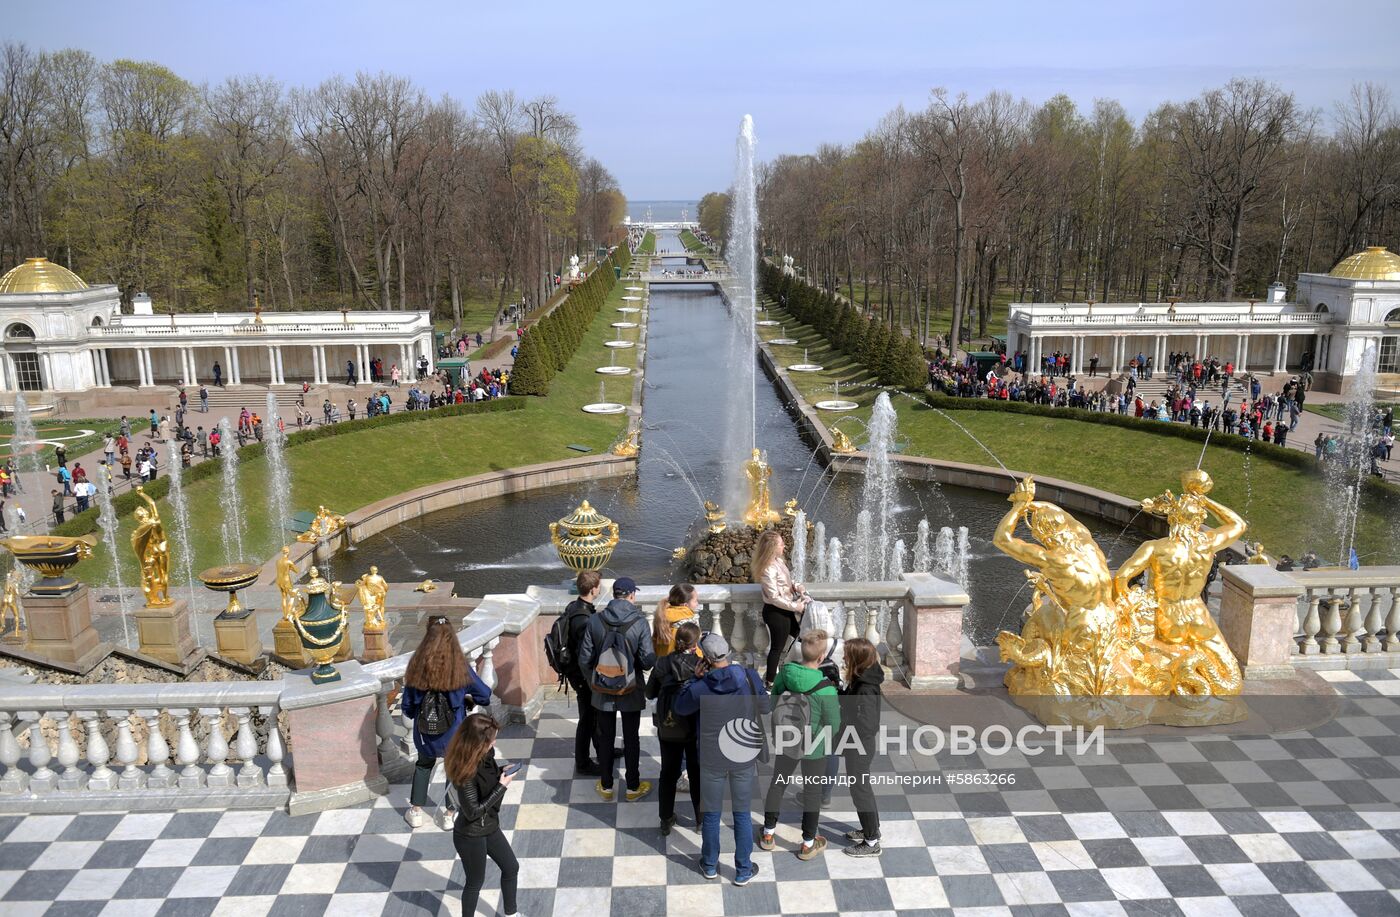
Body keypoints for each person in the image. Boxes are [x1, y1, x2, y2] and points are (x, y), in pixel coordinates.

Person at [674, 632, 768, 884]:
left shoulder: (700, 686)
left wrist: (693, 680)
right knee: (742, 813)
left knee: (712, 814)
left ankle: (710, 865)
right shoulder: (748, 677)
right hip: (743, 753)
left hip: (712, 757)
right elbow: (766, 707)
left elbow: (680, 707)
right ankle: (743, 869)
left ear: (704, 658)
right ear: (728, 652)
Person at [400, 615, 492, 829]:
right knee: (454, 769)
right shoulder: (460, 667)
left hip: (425, 732)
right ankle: (450, 814)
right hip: (454, 732)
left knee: (423, 765)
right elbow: (484, 695)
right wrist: (466, 699)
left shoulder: (416, 666)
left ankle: (415, 811)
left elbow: (408, 706)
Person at [760, 630, 841, 860]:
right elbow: (833, 724)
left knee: (778, 784)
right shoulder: (826, 688)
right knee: (813, 792)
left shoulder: (785, 673)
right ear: (822, 656)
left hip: (787, 740)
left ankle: (768, 834)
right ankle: (807, 844)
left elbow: (774, 702)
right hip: (814, 747)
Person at [577, 575, 655, 801]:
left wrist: (596, 681)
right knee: (631, 739)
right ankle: (632, 787)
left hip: (602, 689)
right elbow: (648, 661)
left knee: (605, 737)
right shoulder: (639, 622)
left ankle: (606, 786)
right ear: (631, 595)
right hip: (630, 688)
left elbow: (584, 659)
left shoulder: (595, 620)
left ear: (614, 595)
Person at [444, 713, 521, 917]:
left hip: (490, 826)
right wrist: (502, 786)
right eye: (491, 739)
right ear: (478, 743)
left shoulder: (486, 755)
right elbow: (473, 811)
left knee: (511, 867)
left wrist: (501, 772)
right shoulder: (465, 771)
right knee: (475, 882)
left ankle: (511, 913)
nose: (495, 742)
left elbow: (487, 780)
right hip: (470, 834)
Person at [646, 621, 701, 834]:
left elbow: (650, 693)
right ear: (695, 644)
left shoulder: (662, 663)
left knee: (668, 773)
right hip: (693, 727)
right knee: (696, 773)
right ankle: (700, 820)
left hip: (668, 726)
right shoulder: (700, 664)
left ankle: (666, 819)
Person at [839, 637, 884, 856]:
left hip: (859, 746)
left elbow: (868, 724)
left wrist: (848, 722)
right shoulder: (862, 678)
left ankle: (871, 842)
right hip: (858, 744)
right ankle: (871, 830)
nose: (844, 657)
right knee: (862, 789)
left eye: (847, 654)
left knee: (860, 791)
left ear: (856, 657)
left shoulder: (866, 687)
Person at [562, 570, 605, 775]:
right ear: (593, 589)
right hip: (582, 676)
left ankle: (602, 749)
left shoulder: (575, 606)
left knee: (592, 715)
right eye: (599, 586)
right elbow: (584, 656)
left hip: (578, 674)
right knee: (587, 719)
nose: (600, 589)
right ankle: (582, 762)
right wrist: (591, 680)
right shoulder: (584, 618)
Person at [753, 530, 808, 687]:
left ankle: (793, 668)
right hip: (776, 613)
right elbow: (774, 598)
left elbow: (786, 584)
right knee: (777, 648)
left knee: (801, 636)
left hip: (786, 610)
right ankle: (770, 682)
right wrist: (796, 606)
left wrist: (797, 586)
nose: (784, 545)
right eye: (781, 543)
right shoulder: (767, 568)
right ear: (772, 547)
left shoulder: (778, 561)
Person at [652, 583, 701, 657]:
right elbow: (693, 652)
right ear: (685, 605)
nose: (697, 603)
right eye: (695, 601)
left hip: (662, 663)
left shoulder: (662, 616)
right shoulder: (686, 624)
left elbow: (654, 644)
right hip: (678, 666)